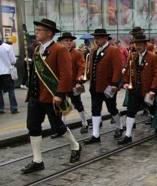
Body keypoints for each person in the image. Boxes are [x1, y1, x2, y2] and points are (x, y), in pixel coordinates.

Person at [21, 19, 82, 174]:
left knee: (58, 127)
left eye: (39, 30)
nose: (36, 32)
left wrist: (60, 94)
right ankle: (37, 160)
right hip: (35, 96)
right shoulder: (37, 49)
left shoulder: (59, 49)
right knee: (32, 127)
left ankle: (75, 145)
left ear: (49, 33)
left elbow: (66, 74)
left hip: (51, 96)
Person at [84, 29, 124, 144]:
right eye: (95, 38)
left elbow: (117, 68)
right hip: (95, 86)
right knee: (95, 109)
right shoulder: (94, 50)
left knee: (112, 108)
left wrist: (114, 83)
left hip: (108, 86)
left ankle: (119, 126)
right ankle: (95, 135)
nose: (96, 40)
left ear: (105, 38)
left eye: (99, 38)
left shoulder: (113, 50)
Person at [119, 33, 157, 144]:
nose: (138, 46)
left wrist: (153, 90)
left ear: (145, 45)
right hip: (135, 89)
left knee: (152, 109)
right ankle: (128, 134)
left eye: (140, 44)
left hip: (147, 90)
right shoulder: (132, 55)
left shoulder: (153, 57)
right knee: (131, 111)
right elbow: (127, 70)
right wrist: (126, 82)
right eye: (136, 44)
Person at [57, 32, 89, 134]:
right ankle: (61, 127)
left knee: (78, 104)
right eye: (66, 41)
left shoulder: (77, 54)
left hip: (74, 84)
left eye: (70, 41)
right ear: (61, 42)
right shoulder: (58, 53)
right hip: (61, 85)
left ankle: (84, 123)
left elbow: (82, 67)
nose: (69, 43)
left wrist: (79, 81)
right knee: (62, 105)